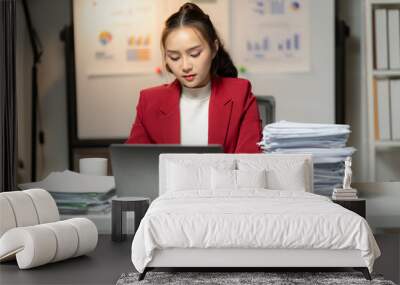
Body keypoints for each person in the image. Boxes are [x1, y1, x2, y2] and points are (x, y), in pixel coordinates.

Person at [126, 2, 262, 153]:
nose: (185, 66)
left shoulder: (240, 93)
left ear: (214, 48)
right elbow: (134, 164)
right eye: (174, 57)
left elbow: (250, 162)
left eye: (194, 54)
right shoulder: (150, 101)